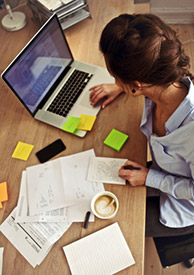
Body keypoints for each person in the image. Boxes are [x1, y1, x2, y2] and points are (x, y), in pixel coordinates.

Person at [89, 13, 194, 238]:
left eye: (115, 77)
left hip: (183, 206)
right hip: (161, 170)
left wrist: (150, 178)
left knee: (113, 225)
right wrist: (120, 86)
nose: (114, 81)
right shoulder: (163, 82)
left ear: (137, 84)